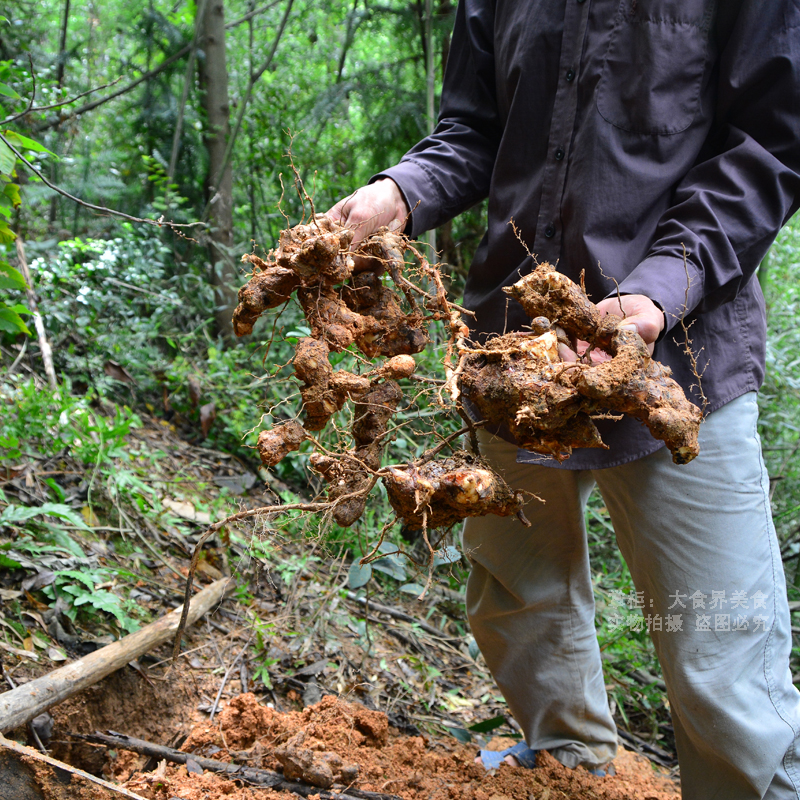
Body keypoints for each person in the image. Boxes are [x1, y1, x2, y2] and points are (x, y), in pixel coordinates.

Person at [327, 1, 800, 797]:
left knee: (718, 649)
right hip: (511, 350)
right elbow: (475, 128)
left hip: (674, 361)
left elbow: (770, 149)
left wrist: (653, 293)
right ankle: (566, 766)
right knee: (519, 590)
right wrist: (401, 193)